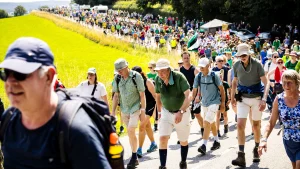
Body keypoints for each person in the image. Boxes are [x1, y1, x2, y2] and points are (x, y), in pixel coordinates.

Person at [0, 37, 111, 168]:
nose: (10, 82)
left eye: (20, 74)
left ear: (49, 76)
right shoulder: (8, 120)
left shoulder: (75, 130)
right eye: (6, 74)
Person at [231, 43, 268, 167]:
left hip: (257, 98)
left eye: (244, 55)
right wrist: (232, 98)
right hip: (243, 98)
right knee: (240, 125)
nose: (242, 57)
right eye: (240, 55)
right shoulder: (236, 65)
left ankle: (256, 149)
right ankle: (241, 155)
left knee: (256, 126)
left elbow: (266, 82)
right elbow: (234, 82)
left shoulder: (257, 64)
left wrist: (264, 99)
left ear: (248, 54)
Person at [258, 70, 300, 169]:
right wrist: (264, 139)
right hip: (288, 140)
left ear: (297, 83)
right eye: (284, 82)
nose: (286, 85)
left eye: (289, 82)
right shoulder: (279, 99)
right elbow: (272, 122)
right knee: (294, 166)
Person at [155, 59, 191, 169]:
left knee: (183, 141)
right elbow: (157, 96)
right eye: (158, 71)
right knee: (162, 139)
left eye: (162, 71)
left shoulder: (179, 77)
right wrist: (160, 112)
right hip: (166, 112)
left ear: (168, 69)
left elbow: (188, 96)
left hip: (182, 112)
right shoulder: (158, 79)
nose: (160, 74)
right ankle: (162, 166)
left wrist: (180, 111)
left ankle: (183, 161)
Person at [112, 58, 146, 169]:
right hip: (124, 110)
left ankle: (134, 155)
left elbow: (142, 94)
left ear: (126, 67)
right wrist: (112, 112)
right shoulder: (117, 78)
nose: (119, 72)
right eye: (118, 70)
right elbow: (116, 96)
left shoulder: (136, 76)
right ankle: (134, 155)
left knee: (131, 130)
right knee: (130, 133)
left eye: (121, 70)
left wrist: (143, 110)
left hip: (135, 107)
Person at [193, 57, 226, 155]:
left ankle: (204, 145)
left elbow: (222, 89)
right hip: (205, 103)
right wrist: (191, 99)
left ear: (208, 66)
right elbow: (194, 90)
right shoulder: (198, 76)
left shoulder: (214, 75)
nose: (201, 68)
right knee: (211, 122)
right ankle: (217, 141)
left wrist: (223, 103)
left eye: (203, 67)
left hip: (215, 102)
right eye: (200, 67)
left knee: (206, 122)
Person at [131, 66, 158, 158]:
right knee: (147, 125)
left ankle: (139, 149)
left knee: (142, 126)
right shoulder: (134, 82)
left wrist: (159, 110)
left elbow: (155, 95)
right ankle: (153, 143)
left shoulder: (147, 82)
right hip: (142, 105)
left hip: (150, 104)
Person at [179, 52, 204, 135]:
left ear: (190, 58)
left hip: (194, 94)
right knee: (183, 116)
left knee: (197, 114)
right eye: (184, 58)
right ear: (182, 59)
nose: (186, 59)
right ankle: (183, 134)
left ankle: (203, 128)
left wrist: (198, 95)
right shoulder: (179, 70)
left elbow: (200, 84)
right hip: (184, 96)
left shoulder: (195, 70)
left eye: (187, 58)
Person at [215, 69, 231, 137]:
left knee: (225, 115)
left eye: (221, 77)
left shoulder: (225, 84)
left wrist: (229, 99)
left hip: (225, 101)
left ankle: (225, 125)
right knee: (218, 116)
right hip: (217, 102)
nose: (220, 78)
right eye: (219, 77)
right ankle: (217, 130)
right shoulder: (215, 85)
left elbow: (230, 91)